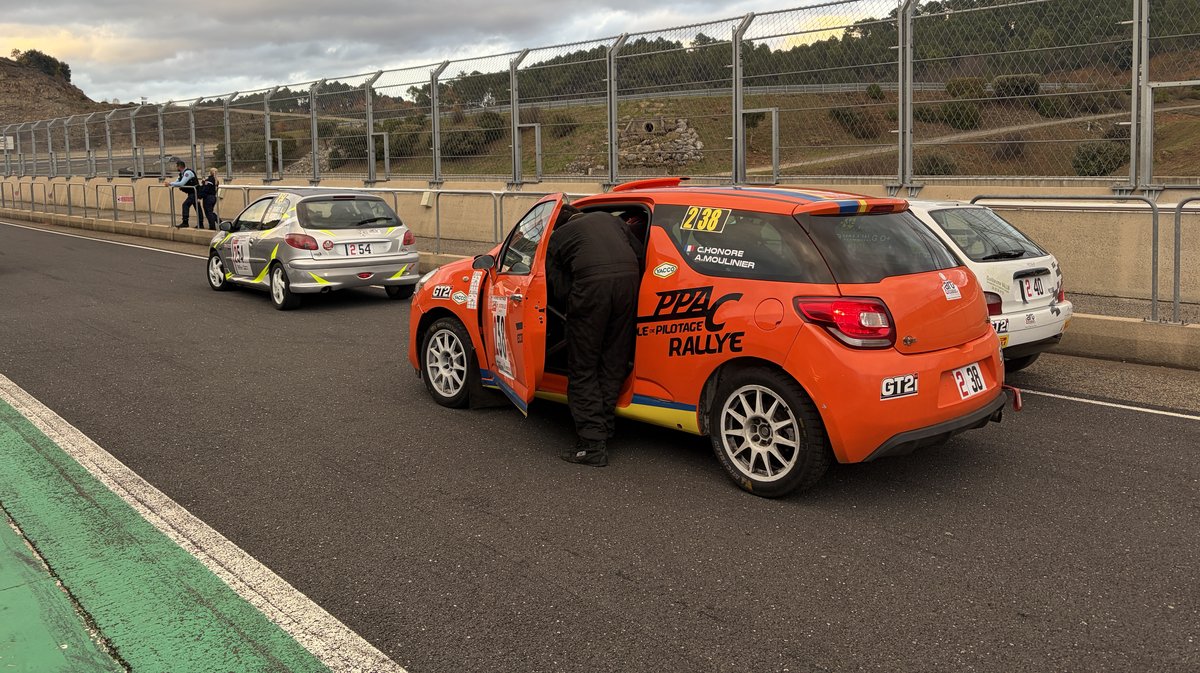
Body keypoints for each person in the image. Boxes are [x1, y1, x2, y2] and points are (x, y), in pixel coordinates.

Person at [545, 204, 642, 467]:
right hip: (629, 285)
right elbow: (639, 253)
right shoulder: (610, 220)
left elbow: (555, 282)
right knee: (614, 360)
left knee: (583, 366)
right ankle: (605, 427)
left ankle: (591, 445)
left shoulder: (557, 237)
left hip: (591, 289)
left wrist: (576, 304)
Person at [164, 159, 200, 228]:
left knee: (185, 205)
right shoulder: (181, 174)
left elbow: (181, 183)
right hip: (191, 192)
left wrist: (170, 183)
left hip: (195, 192)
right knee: (197, 207)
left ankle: (185, 222)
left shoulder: (187, 173)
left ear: (180, 167)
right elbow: (177, 182)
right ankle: (200, 224)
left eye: (177, 166)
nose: (176, 168)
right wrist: (170, 184)